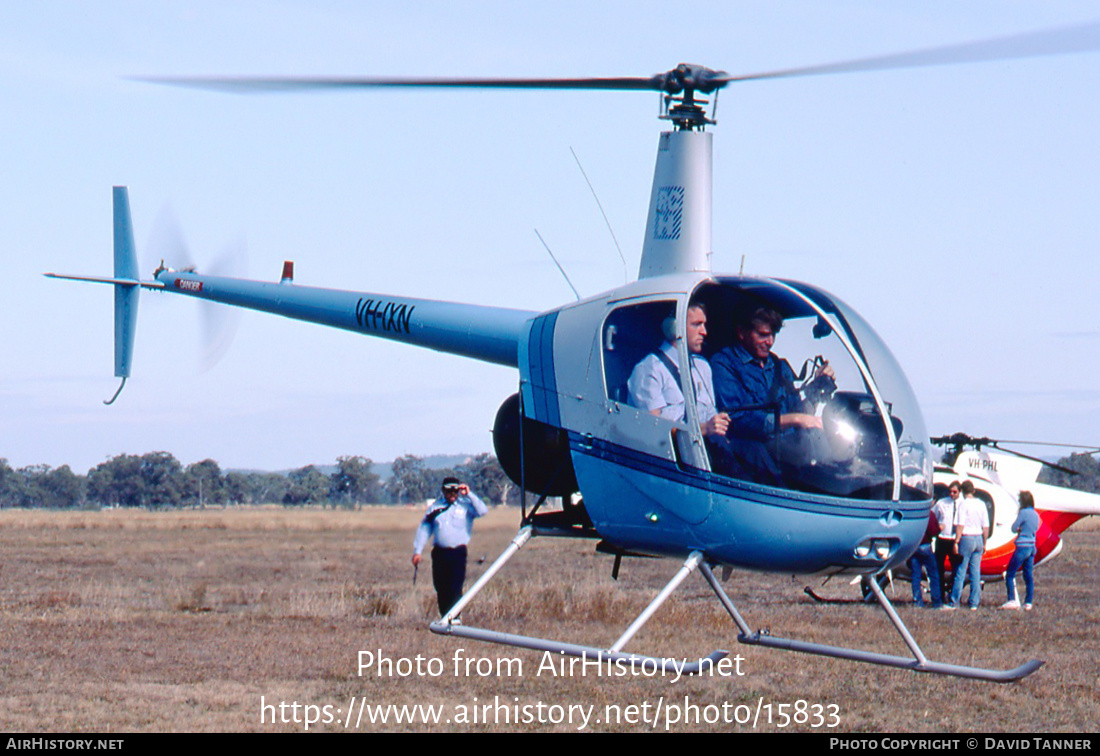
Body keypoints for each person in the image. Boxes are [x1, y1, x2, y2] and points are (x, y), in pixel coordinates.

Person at [710, 306, 835, 483]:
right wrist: (793, 420)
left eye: (773, 335)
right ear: (742, 332)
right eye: (763, 334)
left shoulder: (779, 366)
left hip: (787, 448)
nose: (769, 342)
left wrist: (817, 387)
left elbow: (797, 410)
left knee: (821, 439)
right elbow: (735, 419)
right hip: (755, 453)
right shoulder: (724, 364)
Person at [627, 302, 730, 439]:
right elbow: (655, 431)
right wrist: (704, 428)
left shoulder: (702, 367)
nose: (704, 332)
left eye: (704, 325)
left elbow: (710, 412)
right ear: (674, 328)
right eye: (696, 324)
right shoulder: (649, 370)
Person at [412, 477, 488, 618]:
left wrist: (469, 494)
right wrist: (418, 551)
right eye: (448, 491)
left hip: (458, 553)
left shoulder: (465, 506)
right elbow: (424, 529)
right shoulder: (435, 507)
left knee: (455, 587)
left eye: (455, 490)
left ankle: (454, 618)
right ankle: (445, 617)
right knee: (441, 587)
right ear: (443, 491)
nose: (452, 494)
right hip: (440, 553)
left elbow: (483, 511)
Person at [946, 480, 989, 610]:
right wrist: (985, 542)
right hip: (979, 538)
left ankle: (954, 601)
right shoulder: (981, 504)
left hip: (967, 538)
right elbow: (986, 526)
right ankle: (974, 603)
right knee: (975, 572)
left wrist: (956, 541)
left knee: (961, 571)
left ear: (962, 491)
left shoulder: (963, 505)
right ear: (973, 491)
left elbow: (960, 525)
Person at [1002, 490, 1040, 610]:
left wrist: (1019, 529)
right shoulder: (1035, 514)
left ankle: (1012, 599)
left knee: (1010, 574)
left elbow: (1014, 527)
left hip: (1022, 546)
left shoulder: (1023, 513)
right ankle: (1028, 602)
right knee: (1028, 575)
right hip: (1032, 547)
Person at [932, 482, 962, 600]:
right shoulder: (942, 503)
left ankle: (953, 593)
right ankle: (939, 595)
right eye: (950, 491)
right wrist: (938, 527)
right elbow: (933, 516)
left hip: (955, 540)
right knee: (939, 567)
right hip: (943, 539)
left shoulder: (962, 504)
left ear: (960, 492)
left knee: (956, 568)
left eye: (955, 492)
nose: (952, 494)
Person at [908, 511, 942, 607]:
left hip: (913, 546)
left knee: (915, 576)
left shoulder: (912, 514)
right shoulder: (929, 514)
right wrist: (939, 529)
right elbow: (933, 531)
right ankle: (936, 601)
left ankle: (917, 601)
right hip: (925, 546)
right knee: (933, 574)